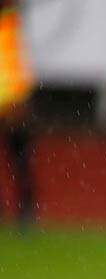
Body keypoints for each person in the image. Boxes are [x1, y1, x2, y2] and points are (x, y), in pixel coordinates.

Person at [0, 0, 37, 230]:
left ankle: (26, 206)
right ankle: (26, 207)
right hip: (13, 92)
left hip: (12, 93)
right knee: (19, 154)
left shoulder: (10, 23)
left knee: (19, 154)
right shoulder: (11, 22)